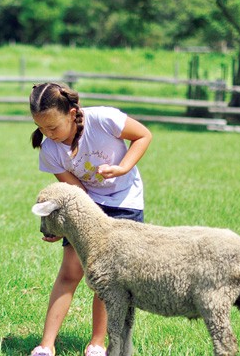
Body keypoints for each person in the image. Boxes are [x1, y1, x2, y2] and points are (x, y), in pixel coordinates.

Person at [28, 82, 152, 356]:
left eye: (54, 128)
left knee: (108, 278)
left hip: (125, 202)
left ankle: (97, 344)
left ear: (73, 114)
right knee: (70, 271)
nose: (49, 135)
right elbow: (77, 194)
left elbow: (143, 135)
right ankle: (46, 345)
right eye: (42, 129)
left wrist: (122, 168)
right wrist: (62, 229)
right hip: (88, 204)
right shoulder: (51, 151)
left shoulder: (104, 119)